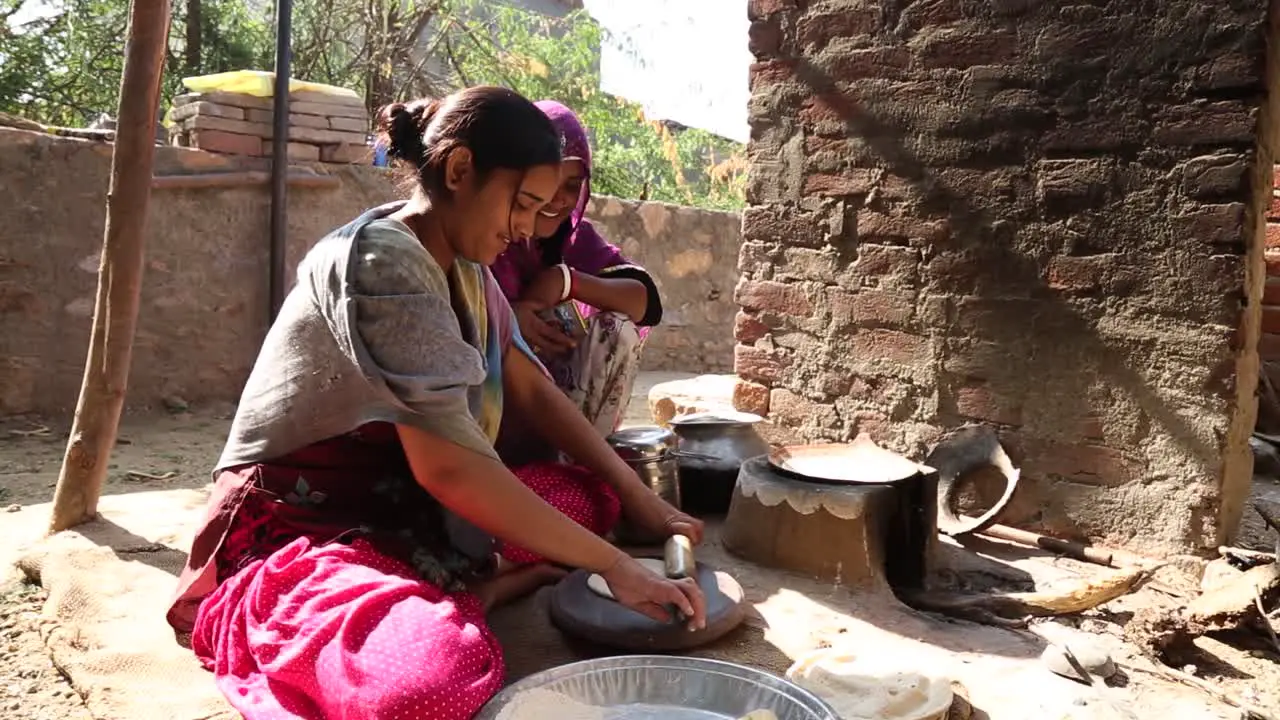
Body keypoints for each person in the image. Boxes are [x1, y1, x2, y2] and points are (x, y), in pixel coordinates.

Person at [166, 86, 706, 720]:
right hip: (309, 526)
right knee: (429, 685)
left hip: (408, 511)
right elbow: (449, 469)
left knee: (592, 497)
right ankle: (462, 589)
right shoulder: (381, 263)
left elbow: (531, 387)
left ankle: (462, 580)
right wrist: (617, 566)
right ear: (458, 170)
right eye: (523, 204)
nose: (530, 228)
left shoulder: (469, 270)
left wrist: (643, 502)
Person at [491, 101, 662, 462]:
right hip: (491, 411)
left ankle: (582, 467)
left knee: (616, 329)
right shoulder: (487, 235)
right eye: (547, 183)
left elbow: (644, 302)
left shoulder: (574, 240)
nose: (559, 199)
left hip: (560, 408)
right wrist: (507, 322)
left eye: (573, 184)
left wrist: (565, 280)